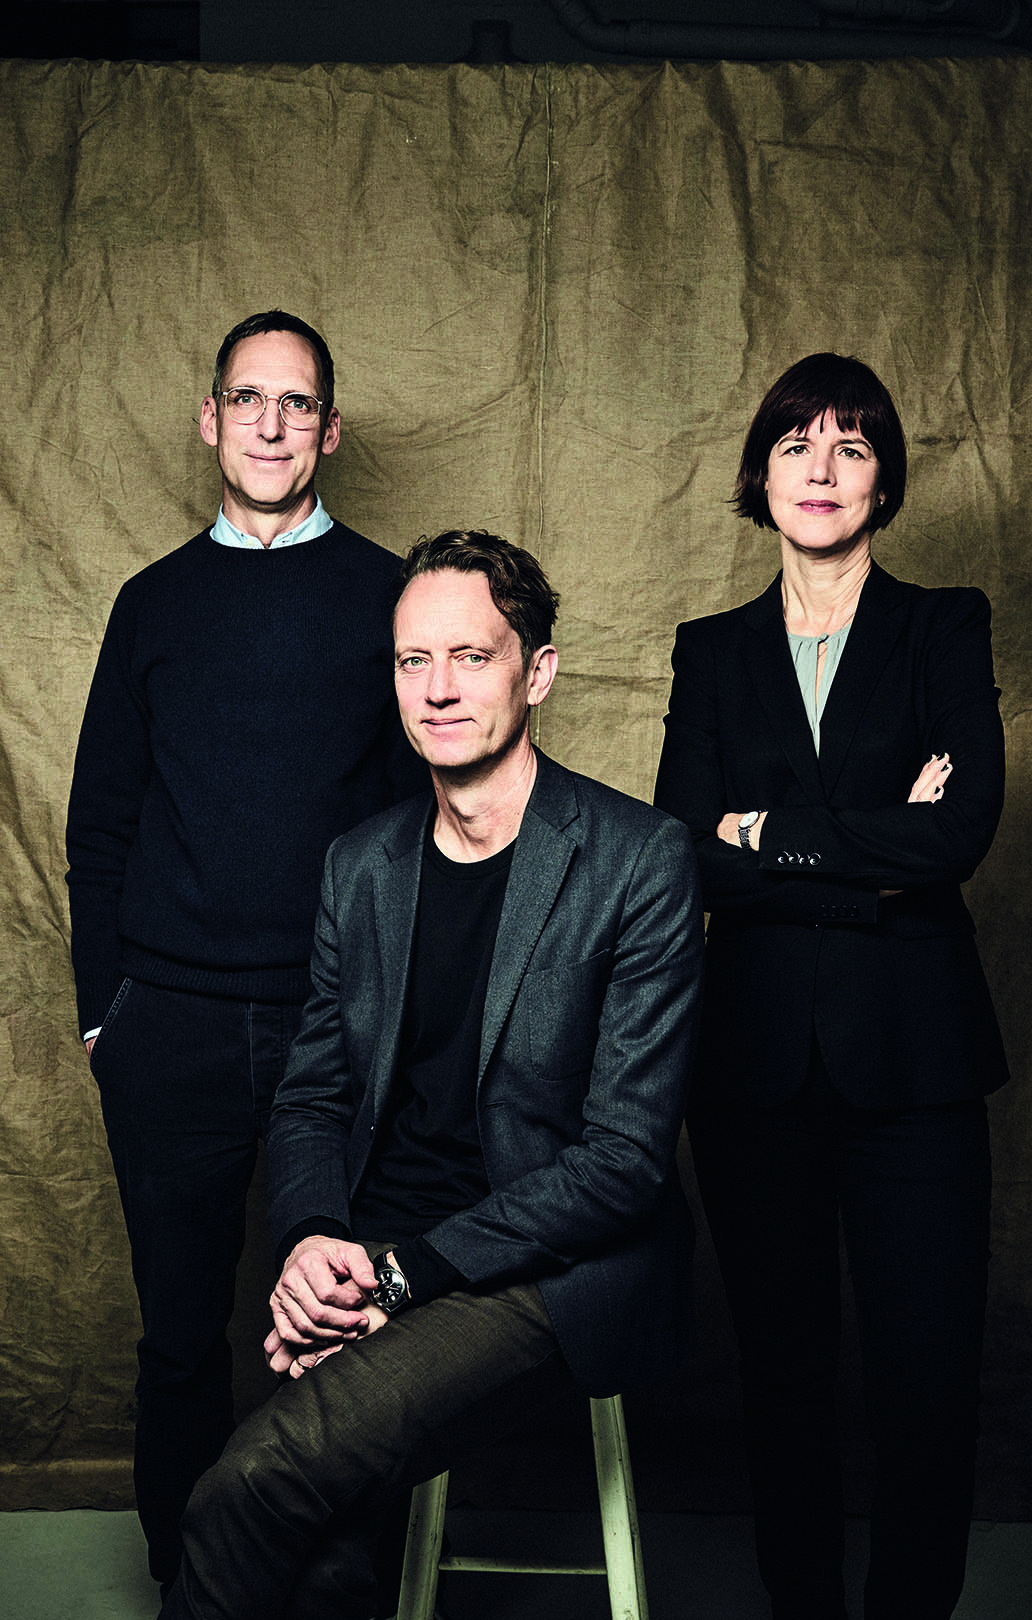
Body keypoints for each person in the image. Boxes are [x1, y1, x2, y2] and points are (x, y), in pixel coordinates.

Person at [158, 529, 704, 1620]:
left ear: (536, 673)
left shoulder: (638, 859)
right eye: (415, 660)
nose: (438, 688)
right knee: (321, 1558)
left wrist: (403, 1277)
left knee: (249, 1489)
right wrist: (315, 1243)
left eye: (471, 656)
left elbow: (623, 1162)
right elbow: (312, 1095)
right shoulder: (360, 865)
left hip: (542, 1264)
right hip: (374, 1243)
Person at [65, 310, 426, 1594]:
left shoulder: (391, 597)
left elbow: (428, 819)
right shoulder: (153, 604)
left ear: (330, 429)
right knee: (181, 1339)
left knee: (354, 1335)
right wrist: (105, 1014)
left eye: (297, 402)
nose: (272, 424)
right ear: (211, 419)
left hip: (343, 1022)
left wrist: (403, 1011)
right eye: (248, 399)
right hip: (169, 1022)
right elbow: (101, 823)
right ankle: (193, 1585)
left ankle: (338, 1594)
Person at [654, 353, 1008, 1620]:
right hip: (752, 1070)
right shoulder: (710, 651)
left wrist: (766, 833)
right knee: (783, 1373)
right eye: (797, 444)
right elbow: (679, 850)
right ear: (761, 475)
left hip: (916, 1065)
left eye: (851, 446)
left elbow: (959, 831)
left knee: (927, 1379)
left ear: (883, 482)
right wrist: (870, 847)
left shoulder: (943, 625)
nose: (821, 468)